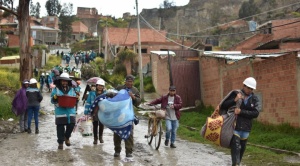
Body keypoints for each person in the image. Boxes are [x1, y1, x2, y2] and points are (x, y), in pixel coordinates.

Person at [219, 77, 260, 166]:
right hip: (234, 126)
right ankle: (236, 164)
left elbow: (256, 113)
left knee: (241, 149)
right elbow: (223, 105)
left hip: (246, 128)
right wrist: (234, 100)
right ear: (244, 86)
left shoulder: (254, 99)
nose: (249, 90)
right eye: (248, 88)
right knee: (236, 147)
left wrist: (241, 112)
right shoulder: (235, 94)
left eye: (251, 89)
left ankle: (237, 163)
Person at [113, 75, 141, 158]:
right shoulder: (119, 88)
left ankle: (128, 152)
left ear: (133, 82)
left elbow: (138, 102)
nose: (130, 83)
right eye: (128, 81)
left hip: (129, 115)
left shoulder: (135, 90)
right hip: (118, 114)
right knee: (117, 133)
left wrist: (133, 97)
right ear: (125, 81)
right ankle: (117, 150)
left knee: (129, 134)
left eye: (131, 81)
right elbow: (112, 96)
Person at [51, 73, 78, 150]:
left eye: (66, 81)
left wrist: (77, 98)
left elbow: (75, 100)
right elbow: (52, 101)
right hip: (60, 112)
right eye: (63, 81)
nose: (65, 83)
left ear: (68, 82)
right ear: (60, 81)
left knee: (72, 124)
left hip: (70, 111)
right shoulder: (56, 89)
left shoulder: (72, 89)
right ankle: (60, 143)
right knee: (60, 128)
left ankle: (67, 137)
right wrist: (55, 97)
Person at [84, 79, 106, 144]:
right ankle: (95, 138)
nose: (100, 87)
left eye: (102, 86)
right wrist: (86, 112)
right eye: (99, 85)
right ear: (96, 85)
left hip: (102, 111)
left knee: (101, 125)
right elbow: (88, 102)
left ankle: (100, 137)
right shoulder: (92, 93)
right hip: (94, 111)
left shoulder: (105, 93)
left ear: (103, 87)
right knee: (95, 125)